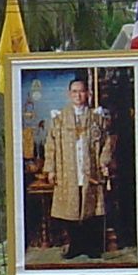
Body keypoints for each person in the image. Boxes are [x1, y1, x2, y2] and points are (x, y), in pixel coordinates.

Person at [40, 76, 112, 260]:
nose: (78, 95)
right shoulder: (59, 118)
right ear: (69, 94)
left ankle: (92, 247)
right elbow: (51, 145)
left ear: (87, 94)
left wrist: (103, 162)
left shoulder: (96, 117)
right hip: (67, 171)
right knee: (71, 210)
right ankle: (75, 246)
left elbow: (106, 142)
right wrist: (51, 169)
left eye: (81, 91)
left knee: (91, 209)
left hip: (90, 171)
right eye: (74, 92)